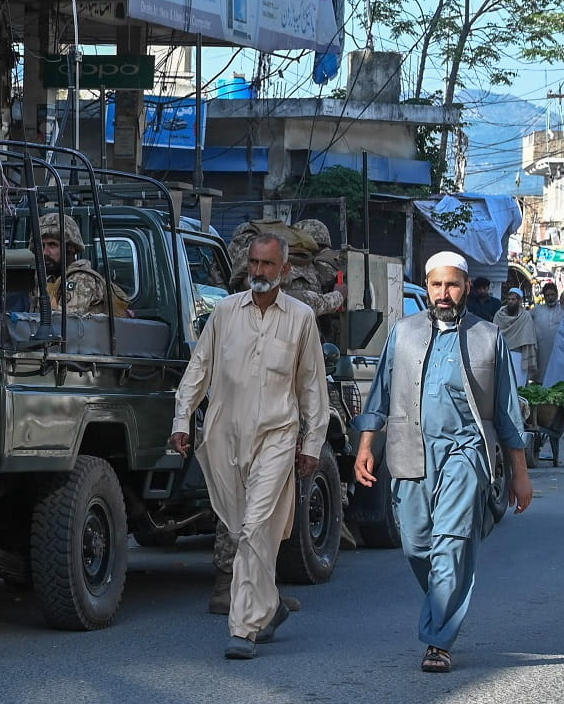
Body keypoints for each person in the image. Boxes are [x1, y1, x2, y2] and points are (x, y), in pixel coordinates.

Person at [354, 252, 532, 673]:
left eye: (452, 285)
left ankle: (438, 641)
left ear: (467, 287)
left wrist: (520, 475)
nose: (444, 293)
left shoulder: (489, 337)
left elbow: (507, 413)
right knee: (417, 545)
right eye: (436, 285)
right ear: (428, 287)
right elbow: (379, 395)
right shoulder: (404, 333)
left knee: (451, 543)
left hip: (465, 454)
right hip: (410, 452)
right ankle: (441, 600)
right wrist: (365, 447)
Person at [169, 234, 327, 660]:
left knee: (257, 527)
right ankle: (270, 606)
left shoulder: (300, 318)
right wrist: (182, 419)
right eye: (254, 263)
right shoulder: (224, 312)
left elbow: (312, 386)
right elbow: (198, 368)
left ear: (284, 270)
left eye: (267, 265)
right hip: (225, 438)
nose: (258, 271)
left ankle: (242, 628)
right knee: (242, 530)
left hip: (277, 436)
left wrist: (312, 442)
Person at [40, 212, 128, 316]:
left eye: (52, 245)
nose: (45, 252)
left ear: (70, 248)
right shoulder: (51, 279)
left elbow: (64, 324)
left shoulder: (82, 279)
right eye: (42, 245)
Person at [493, 287, 539, 386]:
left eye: (513, 299)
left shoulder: (525, 317)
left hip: (519, 356)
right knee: (503, 385)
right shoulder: (499, 315)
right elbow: (494, 335)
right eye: (509, 299)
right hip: (502, 354)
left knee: (519, 386)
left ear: (519, 301)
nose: (510, 302)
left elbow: (529, 338)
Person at [533, 281, 563, 382]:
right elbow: (523, 319)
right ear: (544, 297)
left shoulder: (562, 310)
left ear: (557, 294)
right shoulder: (536, 311)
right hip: (541, 351)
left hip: (559, 351)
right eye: (547, 295)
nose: (550, 297)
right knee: (541, 377)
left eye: (552, 295)